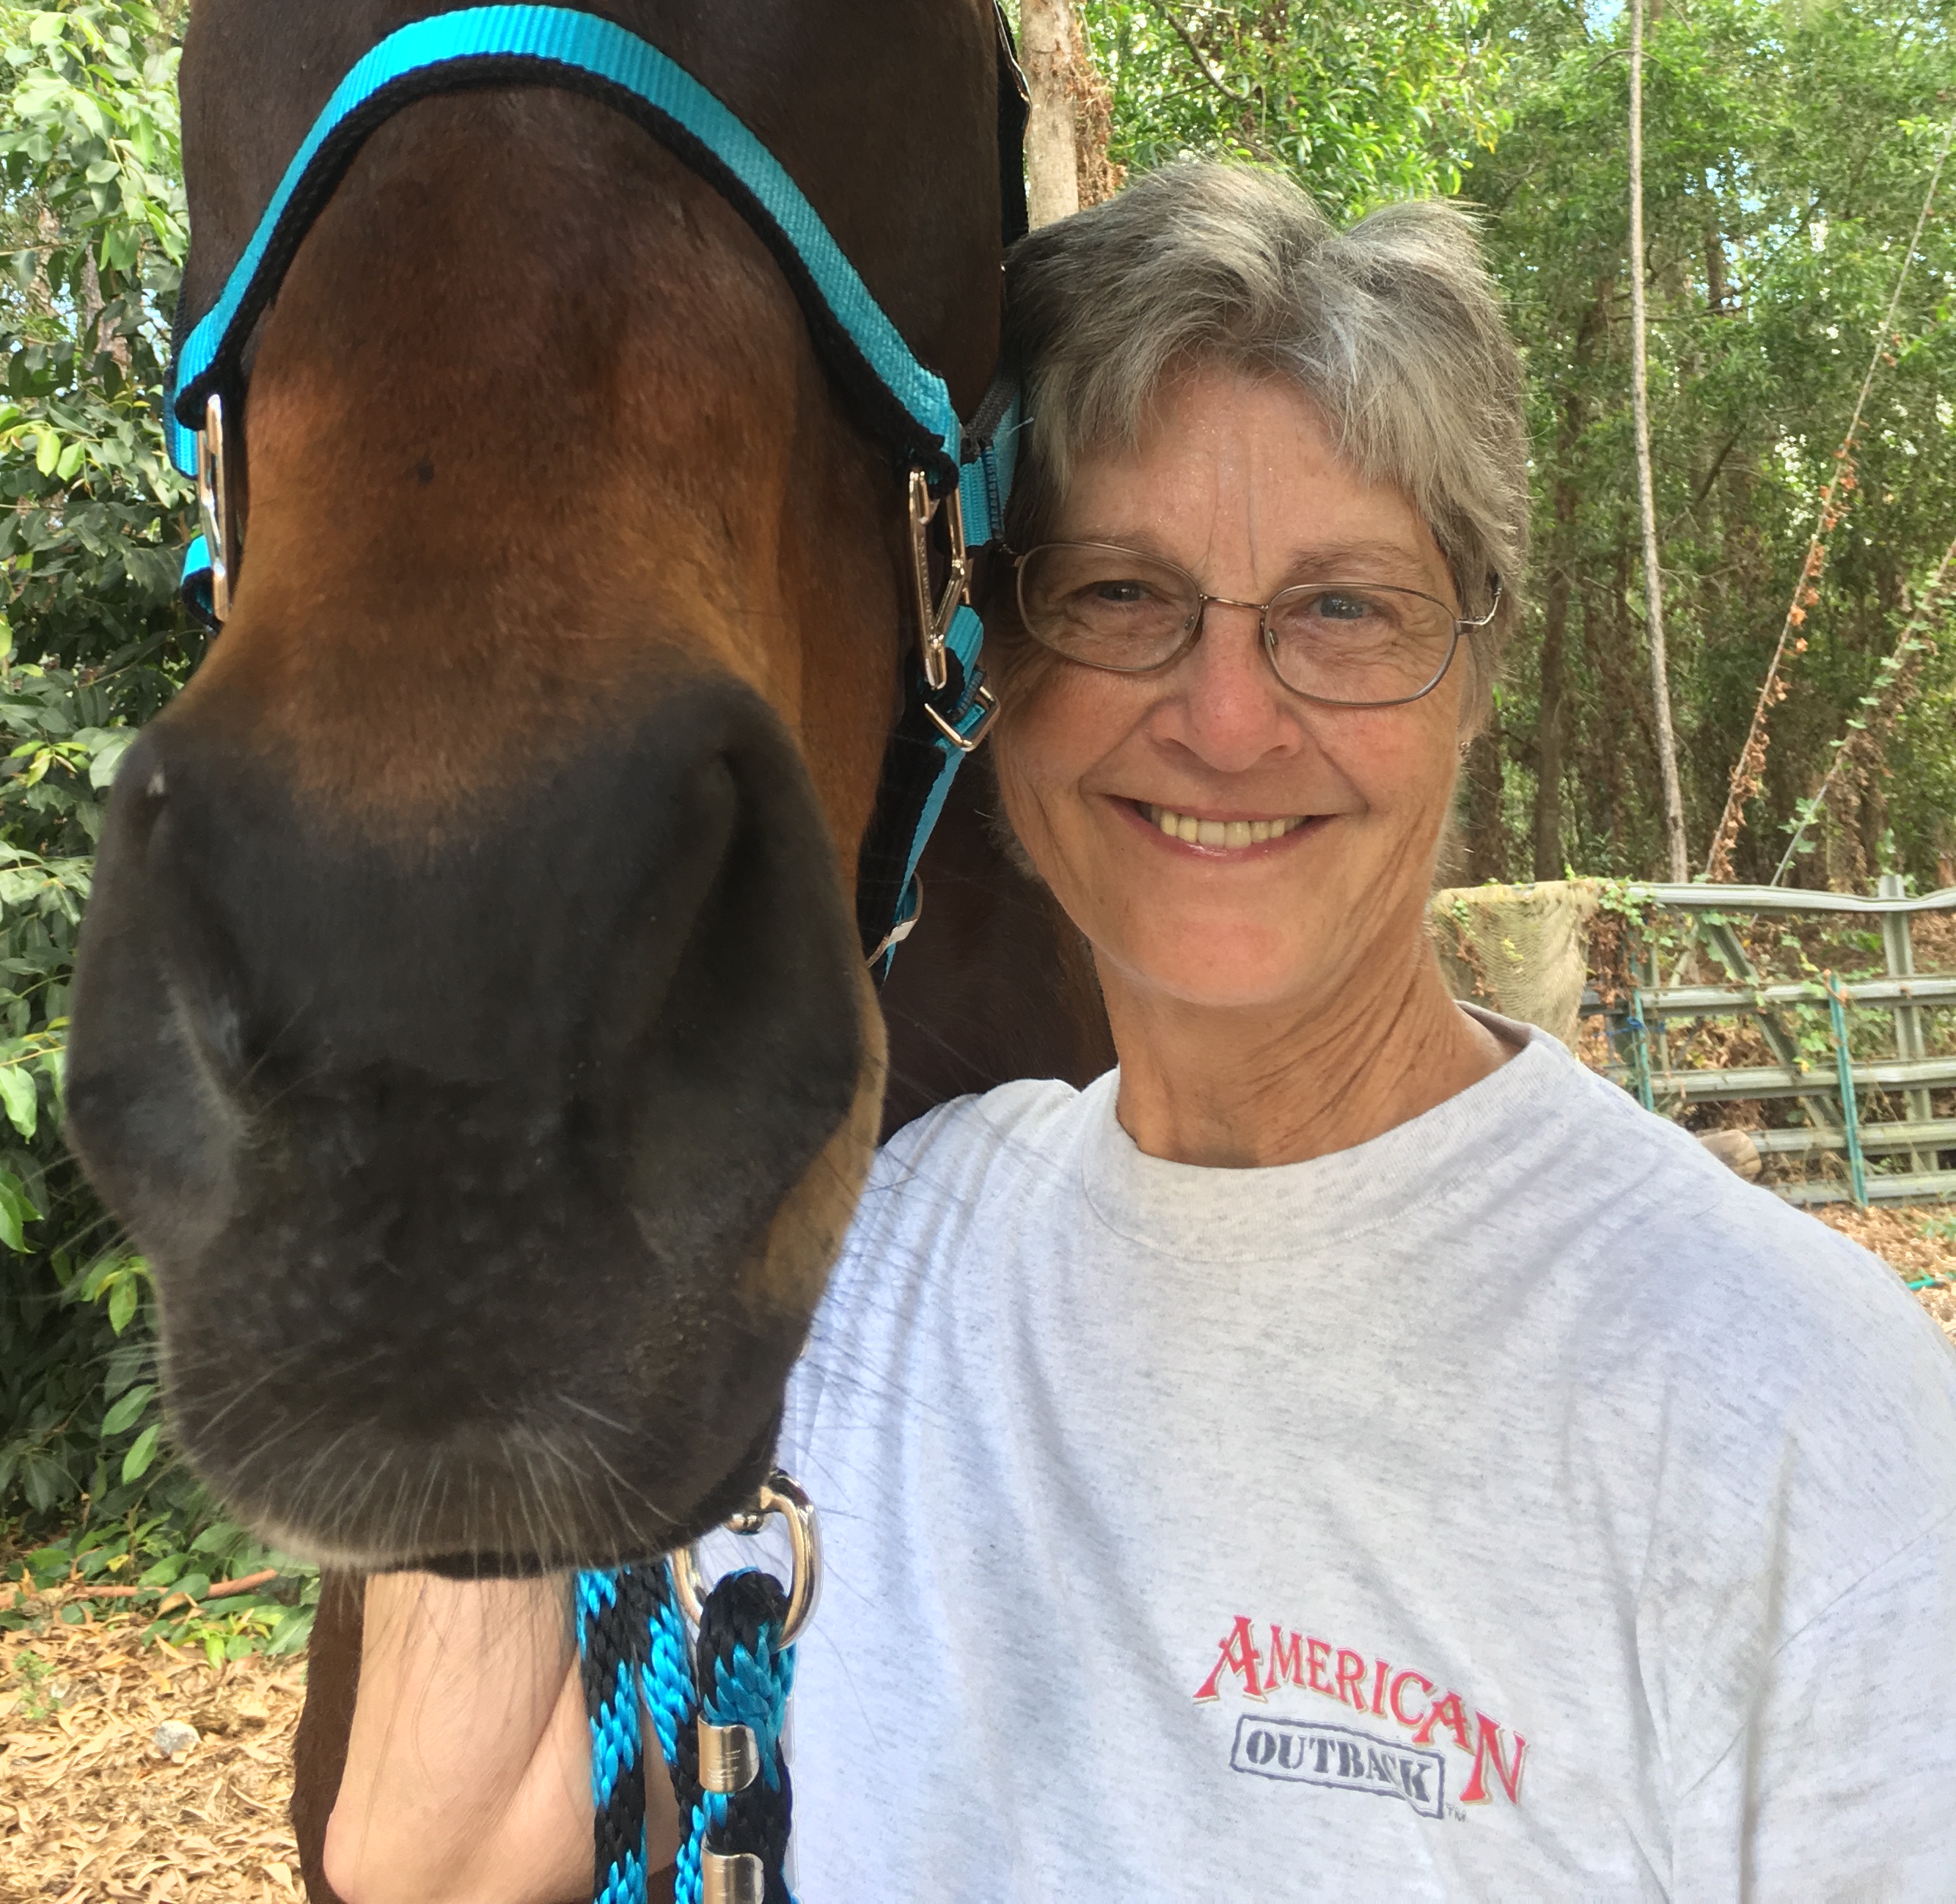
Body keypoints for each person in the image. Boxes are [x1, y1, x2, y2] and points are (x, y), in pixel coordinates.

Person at [326, 158, 1956, 1903]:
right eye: (1118, 593)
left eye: (1344, 607)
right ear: (997, 661)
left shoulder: (1794, 1412)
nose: (1230, 720)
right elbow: (443, 1850)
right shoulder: (882, 1252)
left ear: (1472, 670)